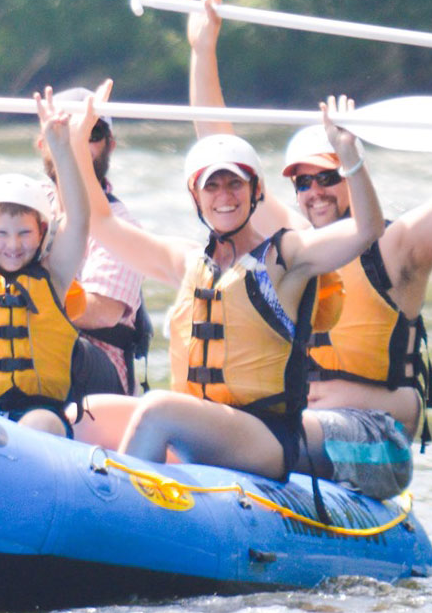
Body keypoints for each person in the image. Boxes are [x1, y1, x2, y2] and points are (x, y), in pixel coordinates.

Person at [186, 0, 432, 491]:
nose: (315, 192)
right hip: (302, 427)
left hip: (374, 443)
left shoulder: (398, 247)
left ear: (351, 170)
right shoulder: (294, 245)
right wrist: (203, 50)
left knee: (254, 435)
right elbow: (217, 142)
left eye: (328, 176)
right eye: (303, 182)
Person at [69, 90, 384, 486]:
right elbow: (101, 221)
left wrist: (349, 155)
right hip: (197, 427)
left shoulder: (286, 256)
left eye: (235, 183)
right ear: (196, 197)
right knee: (82, 414)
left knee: (157, 408)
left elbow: (367, 229)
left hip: (264, 435)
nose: (224, 196)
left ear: (256, 191)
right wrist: (76, 146)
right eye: (212, 186)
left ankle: (118, 509)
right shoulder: (187, 262)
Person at [0, 22, 151, 392]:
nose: (13, 243)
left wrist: (26, 300)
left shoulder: (119, 228)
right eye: (66, 133)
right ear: (42, 143)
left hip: (89, 370)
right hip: (7, 360)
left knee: (51, 340)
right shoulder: (20, 202)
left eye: (91, 134)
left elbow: (101, 309)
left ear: (109, 145)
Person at [0, 86, 121, 436]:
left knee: (41, 423)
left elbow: (79, 219)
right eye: (2, 234)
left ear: (43, 231)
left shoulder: (55, 277)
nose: (13, 245)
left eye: (24, 233)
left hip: (38, 417)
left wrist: (62, 148)